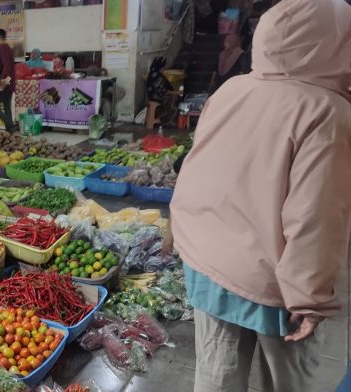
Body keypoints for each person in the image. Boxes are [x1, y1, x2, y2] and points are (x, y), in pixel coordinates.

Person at [167, 1, 351, 391]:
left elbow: (197, 167)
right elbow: (316, 215)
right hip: (272, 281)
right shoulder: (326, 111)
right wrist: (310, 299)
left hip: (205, 260)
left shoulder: (232, 89)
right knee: (285, 380)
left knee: (217, 375)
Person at [0, 29, 16, 133]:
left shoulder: (3, 48)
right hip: (10, 81)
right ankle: (10, 131)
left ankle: (10, 125)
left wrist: (3, 79)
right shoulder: (7, 48)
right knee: (6, 107)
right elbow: (9, 65)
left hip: (5, 81)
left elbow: (7, 65)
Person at [146, 56, 178, 129]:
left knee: (173, 97)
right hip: (157, 98)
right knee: (175, 100)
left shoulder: (151, 73)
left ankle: (158, 120)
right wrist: (176, 93)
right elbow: (163, 91)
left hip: (151, 97)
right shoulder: (159, 77)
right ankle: (163, 120)